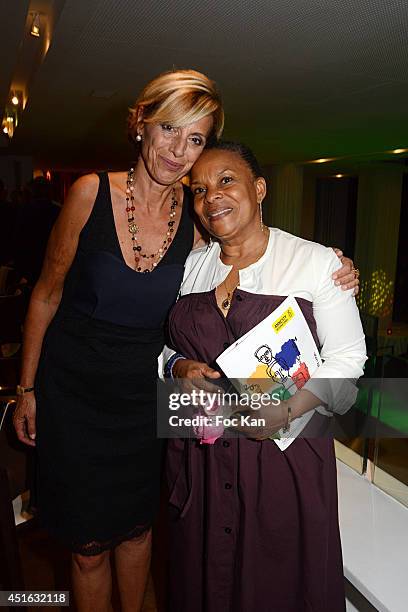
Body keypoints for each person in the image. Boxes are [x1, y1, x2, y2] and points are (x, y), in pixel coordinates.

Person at [13, 69, 356, 612]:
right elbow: (46, 295)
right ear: (141, 124)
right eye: (170, 129)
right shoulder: (89, 194)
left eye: (195, 139)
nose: (178, 150)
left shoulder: (196, 220)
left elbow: (247, 239)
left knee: (140, 532)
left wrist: (330, 263)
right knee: (85, 547)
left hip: (146, 402)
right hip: (75, 394)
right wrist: (26, 387)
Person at [165, 141, 367, 612]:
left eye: (226, 181)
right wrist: (178, 367)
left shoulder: (317, 263)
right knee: (204, 576)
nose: (211, 196)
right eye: (199, 189)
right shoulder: (194, 266)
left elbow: (350, 359)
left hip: (285, 456)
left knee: (277, 580)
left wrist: (285, 409)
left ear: (259, 189)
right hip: (205, 456)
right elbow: (165, 346)